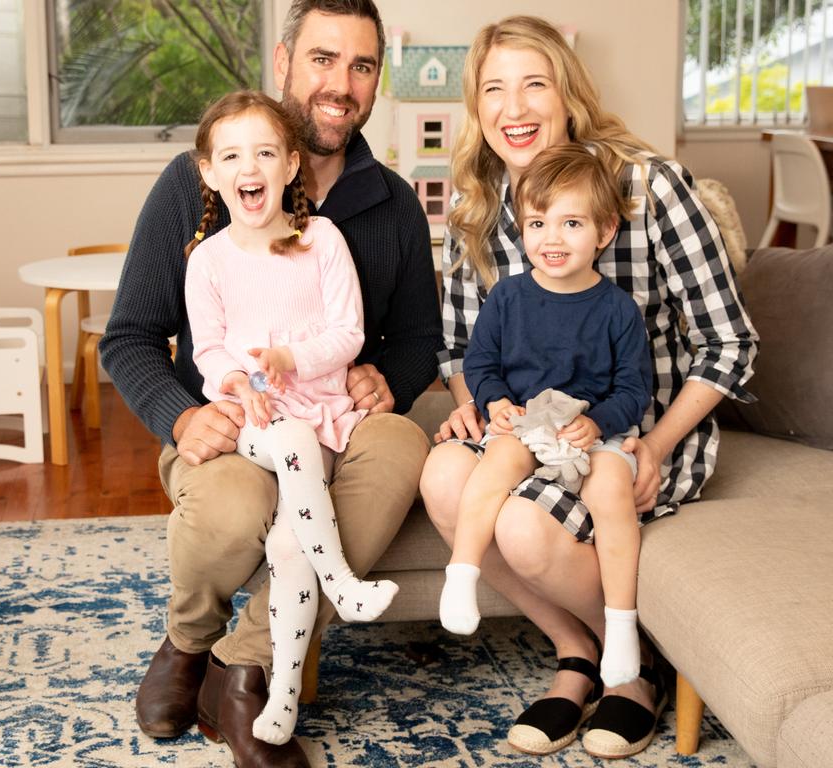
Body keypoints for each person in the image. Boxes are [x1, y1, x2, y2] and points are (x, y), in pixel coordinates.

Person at [99, 1, 441, 764]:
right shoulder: (201, 186)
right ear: (283, 61)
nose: (341, 84)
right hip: (227, 417)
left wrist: (392, 379)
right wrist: (180, 417)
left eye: (361, 66)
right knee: (233, 505)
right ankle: (188, 642)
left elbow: (419, 337)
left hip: (333, 414)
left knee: (400, 448)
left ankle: (243, 668)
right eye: (323, 59)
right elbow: (128, 337)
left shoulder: (392, 206)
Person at [418, 15, 758, 760]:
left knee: (523, 528)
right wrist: (474, 404)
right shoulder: (475, 212)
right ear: (476, 109)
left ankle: (635, 675)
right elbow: (457, 348)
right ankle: (581, 652)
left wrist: (656, 447)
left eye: (534, 83)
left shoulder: (647, 187)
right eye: (494, 89)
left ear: (567, 94)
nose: (515, 108)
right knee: (443, 476)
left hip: (636, 427)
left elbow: (730, 342)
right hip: (531, 428)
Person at [183, 89, 399, 746]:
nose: (250, 166)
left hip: (320, 410)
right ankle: (342, 579)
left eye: (267, 152)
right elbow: (208, 348)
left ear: (289, 166)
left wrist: (291, 356)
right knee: (292, 436)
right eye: (232, 155)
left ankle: (279, 696)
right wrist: (237, 380)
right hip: (253, 416)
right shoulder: (209, 260)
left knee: (287, 547)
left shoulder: (324, 240)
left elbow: (348, 334)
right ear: (210, 173)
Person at [439, 145, 653, 700]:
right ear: (521, 227)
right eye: (538, 223)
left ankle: (622, 626)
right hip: (530, 426)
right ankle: (461, 575)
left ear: (604, 232)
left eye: (571, 223)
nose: (552, 239)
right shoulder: (508, 297)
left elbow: (634, 388)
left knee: (611, 491)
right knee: (497, 463)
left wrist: (600, 421)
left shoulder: (617, 310)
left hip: (592, 433)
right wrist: (496, 404)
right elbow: (480, 363)